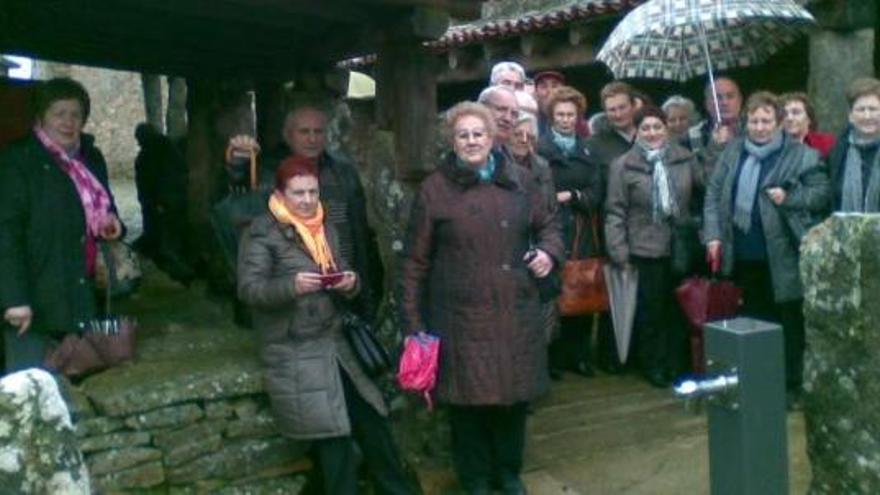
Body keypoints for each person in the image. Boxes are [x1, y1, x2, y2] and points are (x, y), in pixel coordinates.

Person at [399, 102, 563, 495]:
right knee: (468, 407)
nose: (471, 141)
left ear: (493, 138)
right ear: (452, 142)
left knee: (512, 400)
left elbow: (551, 225)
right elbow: (414, 262)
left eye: (478, 134)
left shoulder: (522, 181)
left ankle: (508, 473)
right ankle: (475, 480)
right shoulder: (435, 190)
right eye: (463, 135)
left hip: (514, 310)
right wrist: (412, 324)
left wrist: (548, 254)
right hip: (460, 317)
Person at [237, 156, 417, 495]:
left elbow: (343, 266)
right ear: (280, 193)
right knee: (334, 443)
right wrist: (291, 287)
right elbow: (249, 290)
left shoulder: (326, 227)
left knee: (374, 424)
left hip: (336, 344)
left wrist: (350, 282)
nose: (306, 200)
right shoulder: (261, 233)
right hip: (297, 349)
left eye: (312, 192)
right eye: (298, 193)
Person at [704, 91, 830, 408]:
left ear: (778, 123)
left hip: (784, 252)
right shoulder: (733, 152)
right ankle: (761, 381)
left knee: (787, 321)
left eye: (766, 121)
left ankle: (791, 385)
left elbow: (821, 193)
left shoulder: (801, 155)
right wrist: (713, 235)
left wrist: (790, 198)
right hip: (745, 251)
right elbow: (714, 194)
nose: (759, 127)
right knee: (755, 320)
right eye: (754, 121)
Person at [0, 77, 124, 373]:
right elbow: (5, 233)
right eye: (59, 113)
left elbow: (107, 208)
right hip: (34, 301)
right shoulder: (18, 162)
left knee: (81, 389)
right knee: (31, 389)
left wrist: (114, 224)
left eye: (76, 114)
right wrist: (14, 298)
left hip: (83, 295)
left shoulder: (91, 158)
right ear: (41, 117)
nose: (68, 122)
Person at [225, 105, 381, 321]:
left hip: (341, 276)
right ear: (288, 135)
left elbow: (359, 229)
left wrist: (363, 282)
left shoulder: (343, 171)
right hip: (291, 284)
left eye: (318, 132)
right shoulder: (269, 171)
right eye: (304, 132)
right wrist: (238, 166)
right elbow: (239, 197)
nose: (312, 139)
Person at [605, 106, 702, 387]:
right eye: (645, 128)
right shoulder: (623, 165)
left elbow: (706, 186)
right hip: (644, 248)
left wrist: (718, 148)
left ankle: (678, 363)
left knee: (679, 309)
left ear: (666, 129)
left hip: (680, 246)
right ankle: (654, 365)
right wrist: (619, 253)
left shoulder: (684, 158)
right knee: (652, 312)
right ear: (637, 131)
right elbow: (615, 212)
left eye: (657, 127)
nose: (652, 133)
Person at [537, 86, 602, 378]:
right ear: (551, 116)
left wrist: (574, 196)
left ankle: (580, 356)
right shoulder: (539, 149)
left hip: (580, 229)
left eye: (571, 115)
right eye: (560, 114)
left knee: (582, 287)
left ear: (579, 117)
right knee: (552, 292)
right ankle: (552, 359)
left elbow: (597, 191)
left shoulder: (589, 149)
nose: (565, 119)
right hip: (550, 229)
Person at [584, 81, 639, 374]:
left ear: (633, 106)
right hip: (614, 225)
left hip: (646, 227)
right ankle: (613, 358)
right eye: (611, 110)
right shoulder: (596, 144)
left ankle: (639, 354)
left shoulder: (648, 134)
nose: (617, 114)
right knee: (615, 294)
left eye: (621, 107)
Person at [829, 78, 880, 212]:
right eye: (861, 109)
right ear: (850, 116)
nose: (867, 116)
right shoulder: (836, 154)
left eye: (873, 109)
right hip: (845, 232)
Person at [687, 76, 744, 172]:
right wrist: (714, 149)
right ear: (707, 104)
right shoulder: (692, 136)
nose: (724, 102)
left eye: (730, 96)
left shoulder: (754, 128)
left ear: (740, 100)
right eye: (717, 97)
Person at [780, 92, 836, 159]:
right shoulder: (773, 146)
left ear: (809, 118)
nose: (789, 118)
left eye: (796, 112)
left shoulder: (826, 143)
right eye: (784, 114)